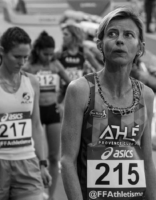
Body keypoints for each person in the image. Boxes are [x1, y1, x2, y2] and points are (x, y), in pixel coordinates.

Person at [61, 7, 156, 200]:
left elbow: (147, 160)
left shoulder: (146, 95)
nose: (119, 39)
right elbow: (68, 161)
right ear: (99, 44)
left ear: (140, 48)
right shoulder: (80, 90)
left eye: (129, 35)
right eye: (112, 33)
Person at [0, 27, 51, 200]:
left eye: (25, 57)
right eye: (16, 56)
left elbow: (36, 124)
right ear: (2, 52)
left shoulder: (32, 82)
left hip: (27, 162)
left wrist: (43, 163)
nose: (22, 62)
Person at [23, 31, 70, 200]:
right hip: (34, 112)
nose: (49, 57)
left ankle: (49, 196)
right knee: (34, 155)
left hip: (52, 111)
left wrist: (61, 102)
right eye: (45, 54)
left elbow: (71, 84)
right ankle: (36, 191)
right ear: (37, 51)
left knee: (54, 156)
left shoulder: (55, 65)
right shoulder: (28, 67)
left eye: (51, 54)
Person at [56, 24, 103, 102]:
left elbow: (98, 67)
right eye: (63, 34)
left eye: (66, 34)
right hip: (64, 91)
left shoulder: (83, 51)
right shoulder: (60, 52)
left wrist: (94, 80)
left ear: (74, 36)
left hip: (80, 89)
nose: (63, 37)